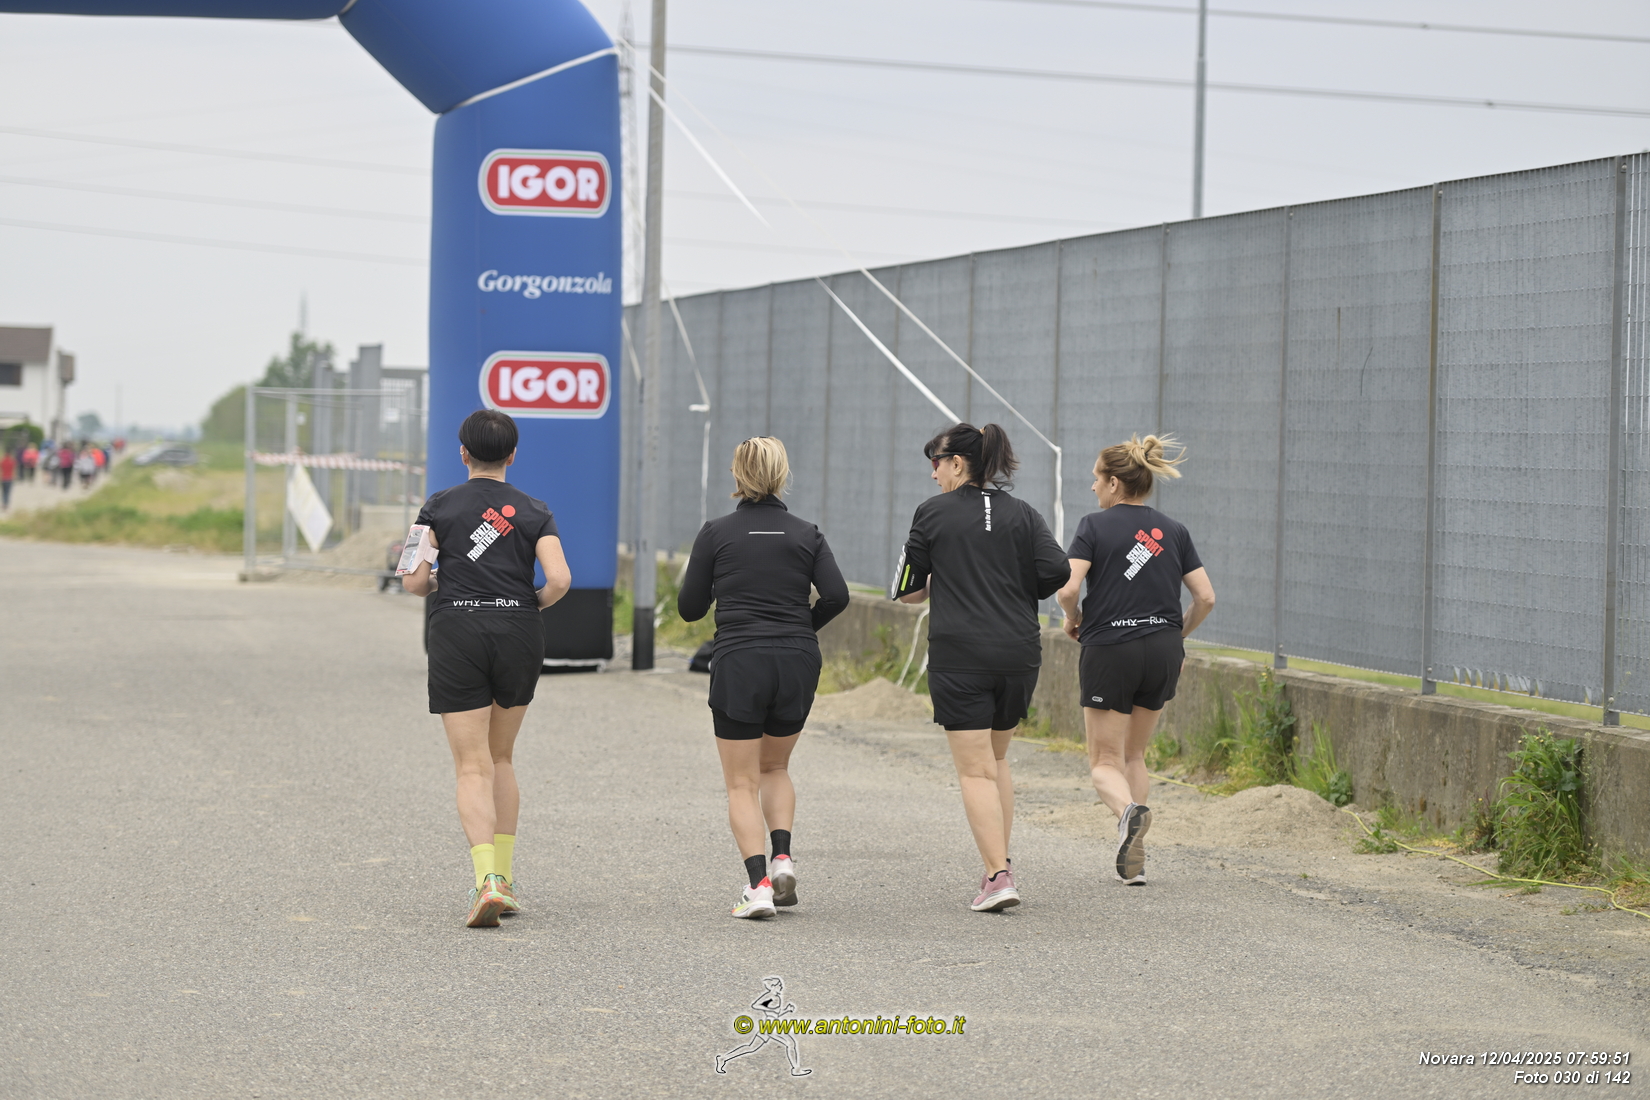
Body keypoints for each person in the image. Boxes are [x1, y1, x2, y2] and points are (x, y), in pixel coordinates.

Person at [401, 409, 572, 928]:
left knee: (472, 765)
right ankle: (508, 879)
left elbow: (413, 581)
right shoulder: (534, 509)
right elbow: (559, 579)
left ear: (463, 454)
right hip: (518, 631)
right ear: (512, 455)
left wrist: (445, 584)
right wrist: (527, 604)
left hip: (457, 630)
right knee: (501, 757)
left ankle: (487, 881)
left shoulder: (436, 507)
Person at [891, 423, 1069, 912]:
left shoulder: (932, 513)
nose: (933, 474)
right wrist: (1013, 584)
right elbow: (1057, 570)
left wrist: (945, 578)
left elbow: (908, 590)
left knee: (974, 772)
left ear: (957, 463)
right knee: (996, 761)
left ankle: (997, 875)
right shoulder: (1023, 512)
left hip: (961, 656)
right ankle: (999, 863)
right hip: (1018, 653)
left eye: (936, 463)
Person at [677, 437, 849, 920]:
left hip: (740, 659)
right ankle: (783, 857)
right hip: (797, 659)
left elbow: (689, 608)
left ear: (737, 475)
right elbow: (837, 595)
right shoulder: (806, 533)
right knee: (775, 767)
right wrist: (800, 627)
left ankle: (758, 888)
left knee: (740, 782)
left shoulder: (716, 533)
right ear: (782, 474)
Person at [1055, 435, 1216, 886]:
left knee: (1104, 761)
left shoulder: (1093, 525)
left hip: (1110, 647)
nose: (1092, 487)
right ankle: (1135, 862)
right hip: (1163, 649)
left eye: (1096, 479)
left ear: (1113, 483)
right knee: (1135, 754)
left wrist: (1073, 618)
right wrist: (1174, 638)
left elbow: (1068, 588)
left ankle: (1128, 814)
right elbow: (1205, 597)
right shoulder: (1174, 530)